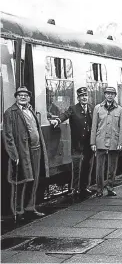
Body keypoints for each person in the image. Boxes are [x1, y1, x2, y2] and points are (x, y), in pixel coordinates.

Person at [3, 86, 49, 220]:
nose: (23, 97)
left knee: (32, 181)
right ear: (16, 97)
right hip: (22, 152)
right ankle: (18, 211)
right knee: (20, 181)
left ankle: (30, 207)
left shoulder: (30, 110)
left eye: (25, 95)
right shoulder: (10, 112)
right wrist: (13, 154)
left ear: (29, 97)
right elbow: (8, 136)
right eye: (20, 95)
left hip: (36, 149)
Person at [49, 87, 93, 199]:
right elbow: (65, 115)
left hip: (89, 144)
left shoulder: (92, 108)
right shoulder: (73, 108)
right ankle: (75, 189)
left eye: (85, 95)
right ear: (78, 98)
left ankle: (84, 187)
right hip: (77, 144)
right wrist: (57, 120)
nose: (84, 98)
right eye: (81, 96)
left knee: (87, 166)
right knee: (77, 167)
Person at [90, 86, 122, 197]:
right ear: (104, 95)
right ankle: (99, 189)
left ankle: (110, 187)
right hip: (100, 140)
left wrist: (120, 142)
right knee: (99, 167)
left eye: (112, 94)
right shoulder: (98, 108)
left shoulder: (120, 109)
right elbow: (94, 126)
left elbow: (121, 127)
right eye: (107, 93)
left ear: (115, 95)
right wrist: (93, 142)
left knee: (112, 167)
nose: (110, 95)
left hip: (114, 141)